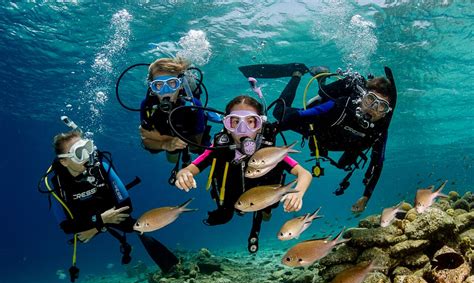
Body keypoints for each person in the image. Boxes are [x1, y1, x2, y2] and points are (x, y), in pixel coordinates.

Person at [240, 63, 397, 213]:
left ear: (386, 112)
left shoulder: (379, 130)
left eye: (381, 106)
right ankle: (297, 74)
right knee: (278, 113)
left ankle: (319, 78)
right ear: (362, 97)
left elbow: (377, 163)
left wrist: (366, 196)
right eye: (370, 100)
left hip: (337, 144)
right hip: (315, 129)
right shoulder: (341, 106)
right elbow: (302, 115)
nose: (372, 109)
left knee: (344, 163)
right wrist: (275, 127)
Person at [174, 95, 312, 253]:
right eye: (235, 122)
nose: (242, 130)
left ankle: (263, 214)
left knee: (266, 213)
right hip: (228, 198)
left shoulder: (269, 152)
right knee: (224, 216)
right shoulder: (218, 148)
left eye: (251, 122)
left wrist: (298, 193)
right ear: (227, 124)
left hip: (265, 198)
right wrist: (183, 173)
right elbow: (190, 168)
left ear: (260, 125)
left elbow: (304, 173)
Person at [41, 129, 179, 282]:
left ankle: (171, 266)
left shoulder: (102, 167)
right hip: (86, 220)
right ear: (64, 161)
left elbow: (127, 206)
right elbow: (66, 227)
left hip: (112, 213)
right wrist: (100, 221)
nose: (87, 157)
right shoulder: (56, 185)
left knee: (137, 228)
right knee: (78, 236)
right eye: (80, 153)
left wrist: (98, 226)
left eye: (88, 148)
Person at [139, 57, 210, 178]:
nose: (165, 91)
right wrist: (166, 144)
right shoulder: (147, 106)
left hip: (192, 136)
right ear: (152, 88)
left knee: (198, 150)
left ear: (180, 85)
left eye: (172, 83)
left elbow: (195, 144)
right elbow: (146, 142)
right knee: (171, 158)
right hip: (173, 141)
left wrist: (159, 138)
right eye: (158, 85)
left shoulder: (193, 105)